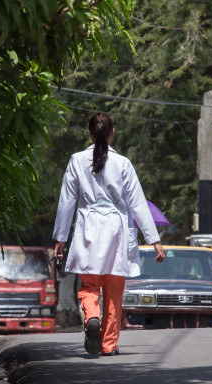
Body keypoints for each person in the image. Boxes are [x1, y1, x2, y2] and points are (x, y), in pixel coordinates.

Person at [53, 113, 165, 356]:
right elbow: (138, 204)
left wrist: (60, 239)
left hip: (87, 230)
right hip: (117, 232)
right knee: (114, 292)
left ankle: (92, 316)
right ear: (112, 133)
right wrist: (155, 240)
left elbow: (66, 202)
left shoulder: (76, 160)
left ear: (89, 134)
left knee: (89, 286)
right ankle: (108, 344)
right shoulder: (123, 163)